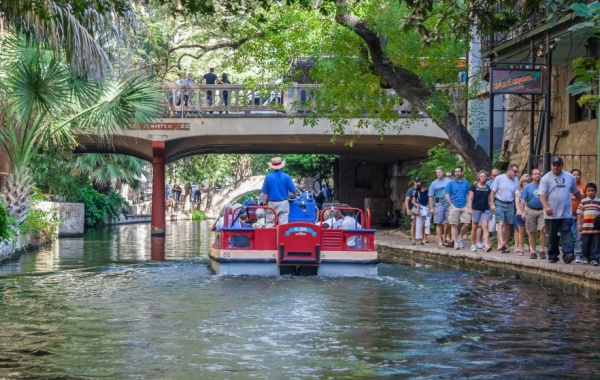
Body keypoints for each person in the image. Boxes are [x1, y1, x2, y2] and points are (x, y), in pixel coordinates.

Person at [539, 156, 583, 264]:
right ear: (551, 166)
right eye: (554, 165)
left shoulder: (569, 177)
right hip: (551, 213)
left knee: (567, 233)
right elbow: (542, 194)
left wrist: (583, 203)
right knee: (552, 236)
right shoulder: (546, 178)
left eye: (558, 165)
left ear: (562, 166)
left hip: (565, 213)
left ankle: (568, 254)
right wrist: (546, 206)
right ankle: (553, 255)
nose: (556, 167)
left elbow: (576, 192)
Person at [489, 163, 519, 253]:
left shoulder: (516, 180)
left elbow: (516, 194)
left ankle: (505, 244)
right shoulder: (499, 178)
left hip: (510, 203)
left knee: (508, 224)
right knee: (500, 223)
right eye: (515, 171)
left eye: (517, 172)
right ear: (509, 170)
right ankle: (501, 243)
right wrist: (492, 204)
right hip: (499, 202)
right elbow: (492, 192)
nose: (516, 173)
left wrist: (517, 207)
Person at [261, 157, 296, 226]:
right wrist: (294, 197)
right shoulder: (286, 176)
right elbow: (293, 190)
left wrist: (264, 204)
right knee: (283, 225)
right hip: (284, 203)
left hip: (272, 203)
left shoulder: (268, 177)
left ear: (272, 166)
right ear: (281, 166)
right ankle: (281, 236)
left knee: (270, 223)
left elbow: (265, 193)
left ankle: (270, 236)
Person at [520, 168, 546, 259]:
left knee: (543, 230)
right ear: (532, 176)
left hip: (542, 210)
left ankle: (542, 250)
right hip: (531, 210)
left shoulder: (544, 186)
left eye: (539, 174)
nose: (538, 175)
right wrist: (522, 212)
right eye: (535, 174)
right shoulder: (527, 187)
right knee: (531, 232)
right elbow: (523, 200)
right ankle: (533, 251)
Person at [445, 166, 471, 250]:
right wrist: (451, 205)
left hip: (464, 205)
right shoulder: (450, 183)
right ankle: (455, 242)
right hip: (454, 205)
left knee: (466, 223)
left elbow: (467, 194)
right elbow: (447, 195)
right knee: (454, 225)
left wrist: (469, 205)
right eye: (455, 171)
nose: (457, 173)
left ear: (461, 172)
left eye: (458, 171)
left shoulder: (466, 183)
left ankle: (460, 237)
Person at [467, 170, 492, 252]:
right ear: (479, 177)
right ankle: (473, 244)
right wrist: (470, 208)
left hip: (485, 209)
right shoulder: (474, 187)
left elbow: (489, 199)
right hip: (476, 209)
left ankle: (486, 244)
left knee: (485, 227)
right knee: (474, 227)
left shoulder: (488, 188)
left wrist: (491, 206)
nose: (483, 178)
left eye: (484, 176)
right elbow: (470, 198)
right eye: (481, 176)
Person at [577, 182, 600, 266]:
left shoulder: (598, 202)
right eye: (589, 190)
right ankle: (586, 257)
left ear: (596, 191)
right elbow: (579, 213)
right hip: (585, 228)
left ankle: (595, 259)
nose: (591, 192)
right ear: (586, 192)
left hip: (596, 228)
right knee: (585, 244)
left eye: (592, 190)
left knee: (596, 244)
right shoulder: (583, 202)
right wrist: (579, 224)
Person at [429, 167, 451, 248]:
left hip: (448, 203)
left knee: (449, 222)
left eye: (440, 172)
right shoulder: (433, 183)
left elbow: (453, 192)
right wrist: (431, 208)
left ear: (443, 173)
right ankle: (440, 241)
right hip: (438, 204)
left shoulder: (449, 182)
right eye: (437, 172)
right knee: (439, 223)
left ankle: (444, 236)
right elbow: (430, 196)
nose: (438, 173)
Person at [570, 169, 586, 263]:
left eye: (578, 175)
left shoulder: (584, 186)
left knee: (579, 236)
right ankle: (570, 254)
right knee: (570, 236)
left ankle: (578, 255)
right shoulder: (568, 185)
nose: (576, 176)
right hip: (570, 214)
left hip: (581, 215)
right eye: (574, 175)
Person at [513, 174, 531, 255]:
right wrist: (519, 210)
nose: (526, 183)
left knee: (530, 231)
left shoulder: (531, 190)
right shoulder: (518, 192)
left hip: (529, 212)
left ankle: (531, 247)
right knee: (521, 231)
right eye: (524, 181)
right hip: (520, 212)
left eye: (527, 182)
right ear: (521, 182)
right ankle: (521, 248)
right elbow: (517, 202)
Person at [404, 177, 421, 245]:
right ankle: (413, 239)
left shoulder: (422, 189)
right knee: (413, 224)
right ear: (414, 182)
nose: (418, 183)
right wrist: (408, 209)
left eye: (419, 181)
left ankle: (420, 239)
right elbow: (407, 200)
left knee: (420, 224)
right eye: (416, 181)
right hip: (414, 208)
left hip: (421, 207)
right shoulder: (410, 190)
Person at [413, 181, 430, 245]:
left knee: (427, 224)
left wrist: (429, 209)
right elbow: (413, 200)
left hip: (426, 208)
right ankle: (419, 239)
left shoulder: (427, 193)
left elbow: (429, 201)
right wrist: (416, 204)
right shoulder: (417, 192)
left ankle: (425, 238)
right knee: (419, 224)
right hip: (420, 208)